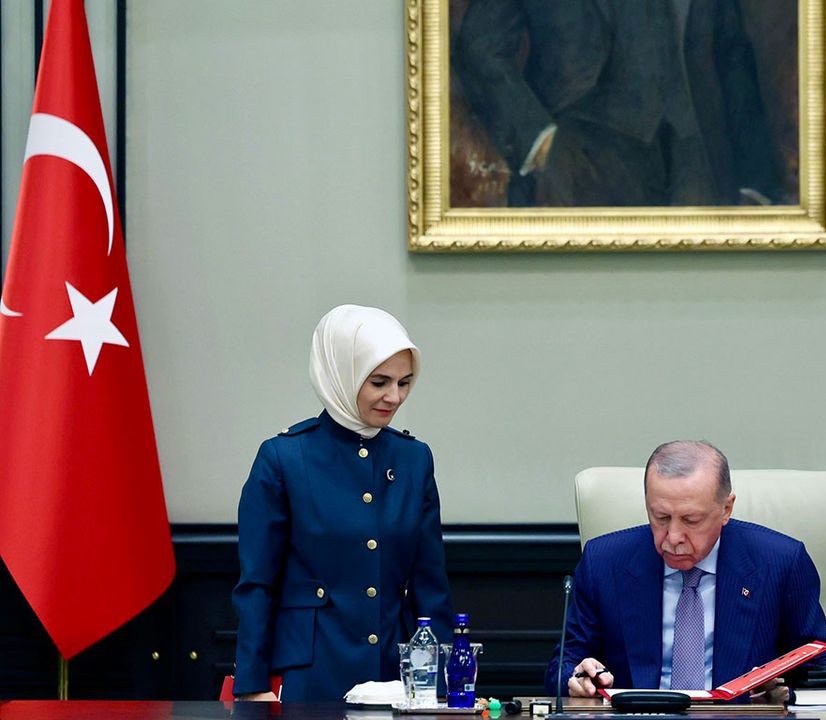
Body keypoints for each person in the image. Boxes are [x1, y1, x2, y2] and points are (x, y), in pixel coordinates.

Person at [232, 305, 452, 701]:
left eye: (404, 382)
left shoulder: (414, 459)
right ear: (341, 373)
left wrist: (439, 684)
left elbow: (430, 586)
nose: (394, 397)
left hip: (395, 676)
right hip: (310, 676)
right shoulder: (284, 458)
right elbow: (257, 584)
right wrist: (252, 687)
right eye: (379, 382)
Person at [545, 441, 826, 702]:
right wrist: (576, 678)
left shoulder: (781, 563)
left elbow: (820, 670)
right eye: (660, 517)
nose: (673, 537)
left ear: (726, 509)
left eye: (691, 520)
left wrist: (785, 694)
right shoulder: (604, 562)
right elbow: (564, 664)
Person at [453, 0, 785, 207]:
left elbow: (730, 54)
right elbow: (478, 46)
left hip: (698, 159)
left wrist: (755, 181)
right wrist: (539, 142)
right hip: (578, 159)